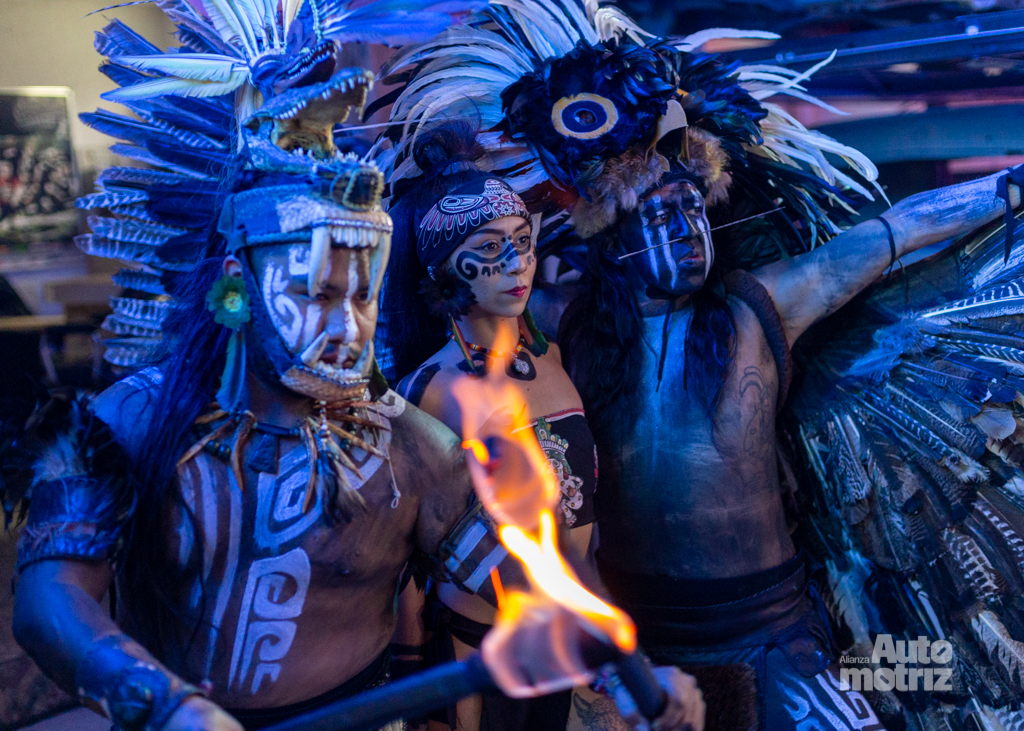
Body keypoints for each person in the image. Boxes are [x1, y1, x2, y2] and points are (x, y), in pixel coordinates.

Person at [2, 5, 706, 731]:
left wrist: (625, 669)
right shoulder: (129, 422)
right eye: (315, 294)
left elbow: (532, 574)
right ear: (238, 287)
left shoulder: (410, 448)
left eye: (362, 295)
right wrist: (167, 705)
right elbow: (50, 601)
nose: (347, 326)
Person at [379, 1, 1024, 727]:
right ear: (613, 238)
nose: (688, 231)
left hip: (771, 630)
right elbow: (477, 286)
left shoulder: (755, 308)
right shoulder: (569, 333)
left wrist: (1006, 188)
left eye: (694, 211)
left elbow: (891, 232)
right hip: (638, 639)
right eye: (662, 216)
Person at [381, 123, 599, 731]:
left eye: (522, 241)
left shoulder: (555, 360)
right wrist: (413, 685)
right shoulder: (429, 391)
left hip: (568, 637)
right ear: (445, 271)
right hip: (478, 653)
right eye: (490, 247)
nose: (516, 263)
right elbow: (403, 557)